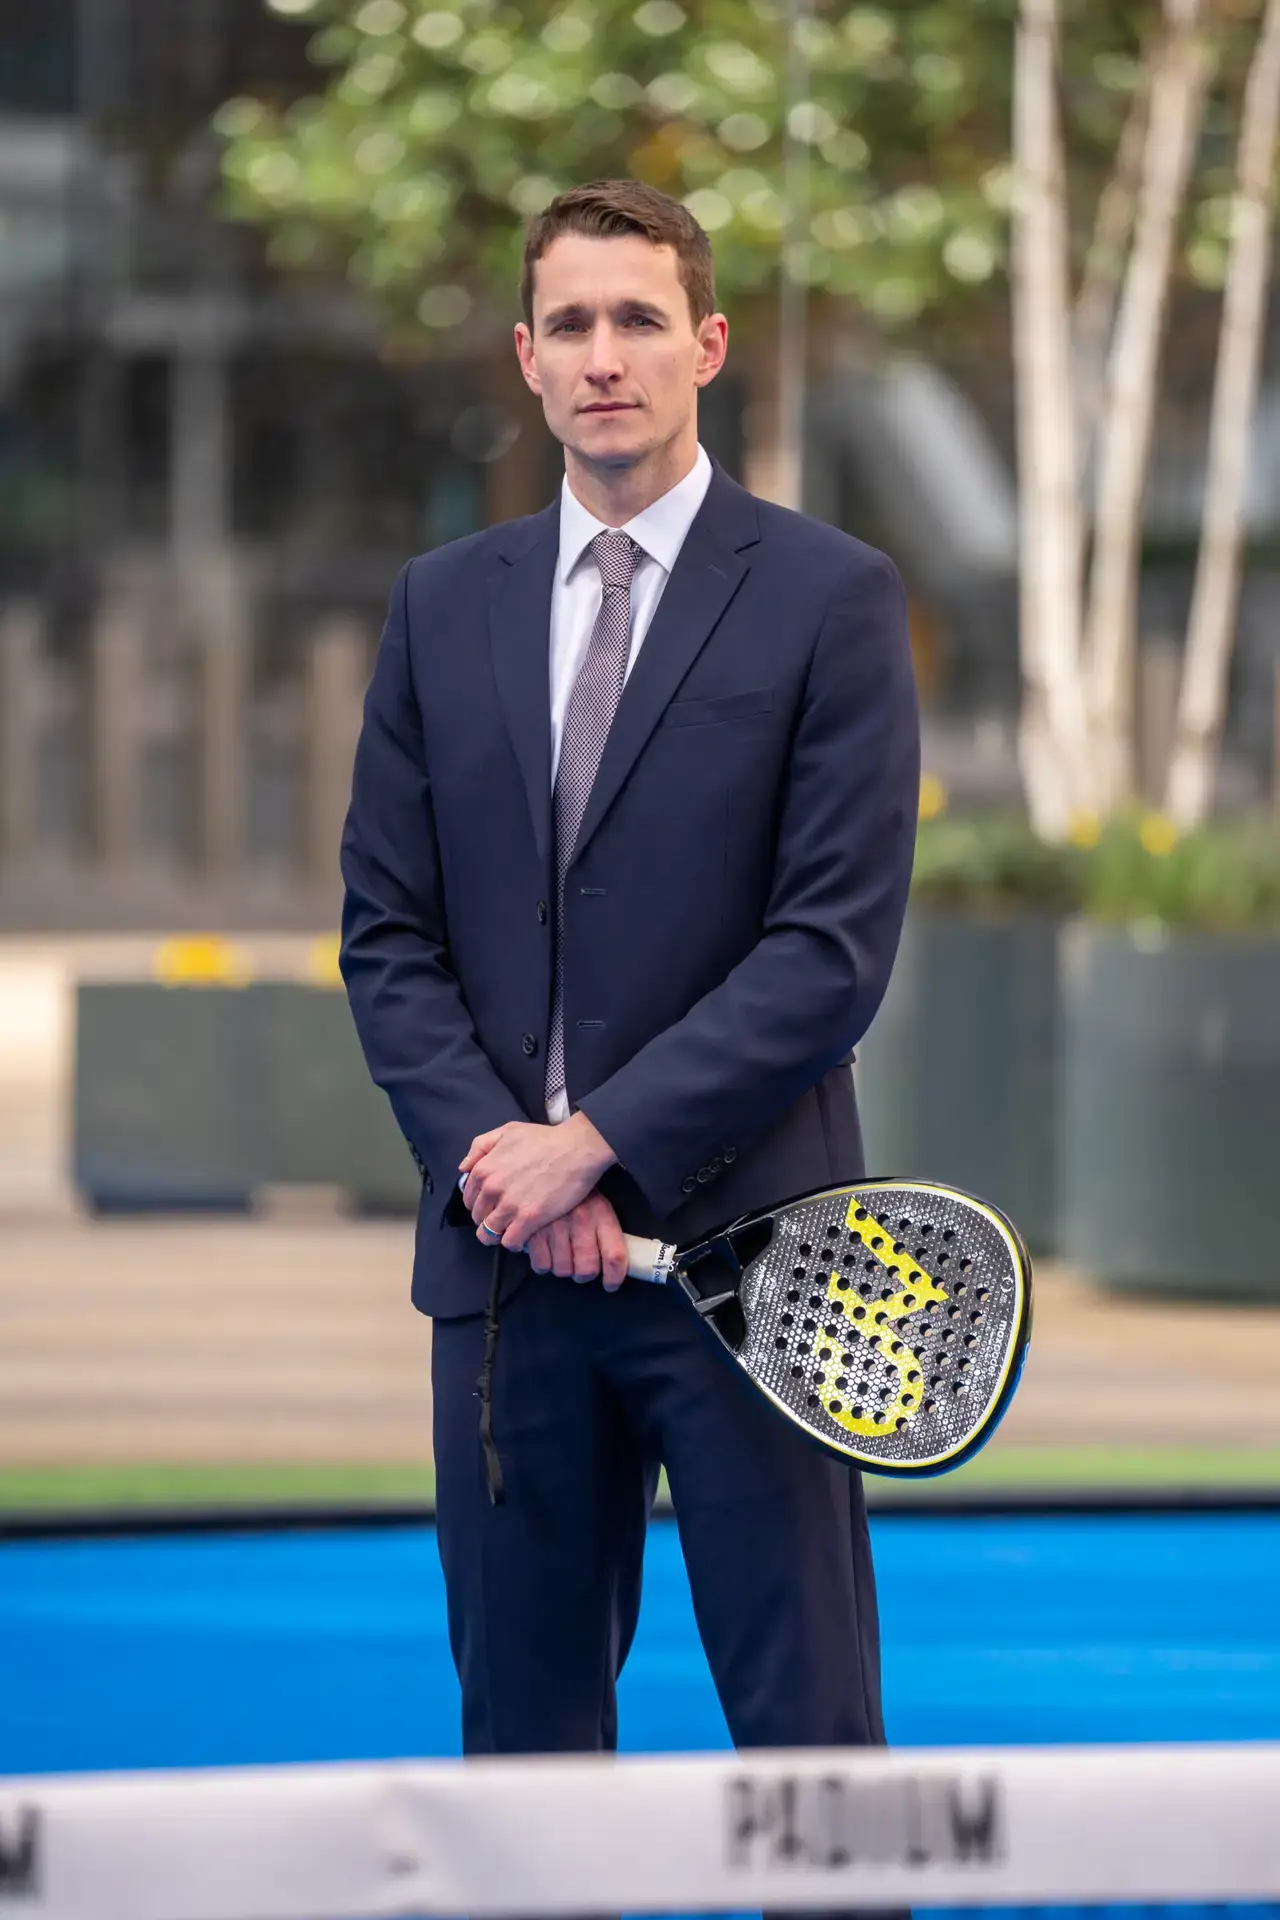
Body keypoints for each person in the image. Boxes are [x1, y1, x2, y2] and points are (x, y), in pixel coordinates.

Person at [339, 179, 919, 1766]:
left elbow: (830, 952)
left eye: (641, 320)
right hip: (508, 1282)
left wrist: (594, 1145)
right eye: (574, 324)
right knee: (522, 1757)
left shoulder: (832, 598)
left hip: (754, 1276)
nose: (607, 355)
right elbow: (388, 936)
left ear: (708, 344)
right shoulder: (438, 607)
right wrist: (506, 1176)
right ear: (528, 357)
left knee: (811, 1745)